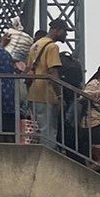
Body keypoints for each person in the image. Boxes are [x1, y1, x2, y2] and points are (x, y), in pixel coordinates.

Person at [25, 18, 68, 149]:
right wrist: (60, 96)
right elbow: (53, 72)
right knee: (49, 131)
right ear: (57, 30)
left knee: (39, 129)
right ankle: (47, 158)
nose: (66, 34)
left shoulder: (36, 45)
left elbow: (28, 69)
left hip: (33, 92)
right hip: (46, 94)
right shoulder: (52, 47)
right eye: (64, 31)